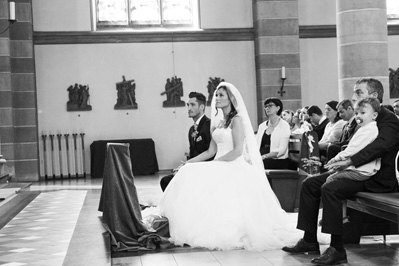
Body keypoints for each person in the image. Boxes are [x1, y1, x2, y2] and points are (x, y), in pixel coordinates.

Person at [160, 82, 300, 251]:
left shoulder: (237, 120)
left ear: (231, 99)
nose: (217, 98)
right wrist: (188, 163)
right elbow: (211, 151)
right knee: (188, 171)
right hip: (219, 163)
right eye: (216, 95)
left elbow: (238, 151)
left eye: (221, 95)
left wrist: (215, 164)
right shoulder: (220, 122)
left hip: (233, 164)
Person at [282, 78, 399, 265]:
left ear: (374, 95)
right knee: (310, 184)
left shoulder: (389, 119)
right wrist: (333, 159)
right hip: (355, 169)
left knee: (331, 188)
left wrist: (349, 160)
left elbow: (381, 146)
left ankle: (337, 248)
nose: (353, 97)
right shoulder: (362, 117)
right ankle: (309, 239)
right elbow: (350, 143)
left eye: (358, 92)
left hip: (374, 176)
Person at [325, 97, 381, 224]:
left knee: (331, 180)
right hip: (360, 169)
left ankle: (341, 216)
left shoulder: (370, 130)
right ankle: (341, 215)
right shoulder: (364, 128)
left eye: (362, 113)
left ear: (374, 115)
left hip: (362, 171)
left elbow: (352, 150)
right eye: (356, 113)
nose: (358, 116)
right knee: (332, 178)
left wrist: (336, 158)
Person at [159, 92, 211, 191]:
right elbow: (192, 154)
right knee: (165, 181)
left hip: (204, 170)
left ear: (202, 107)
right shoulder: (191, 129)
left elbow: (211, 153)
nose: (189, 108)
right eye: (188, 105)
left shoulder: (209, 125)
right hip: (192, 169)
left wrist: (187, 166)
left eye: (192, 105)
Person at [256, 98, 291, 169]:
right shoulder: (262, 126)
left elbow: (282, 150)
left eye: (270, 105)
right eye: (266, 106)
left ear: (278, 108)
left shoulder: (284, 125)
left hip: (278, 161)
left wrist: (264, 156)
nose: (267, 108)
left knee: (257, 166)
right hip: (261, 159)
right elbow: (256, 145)